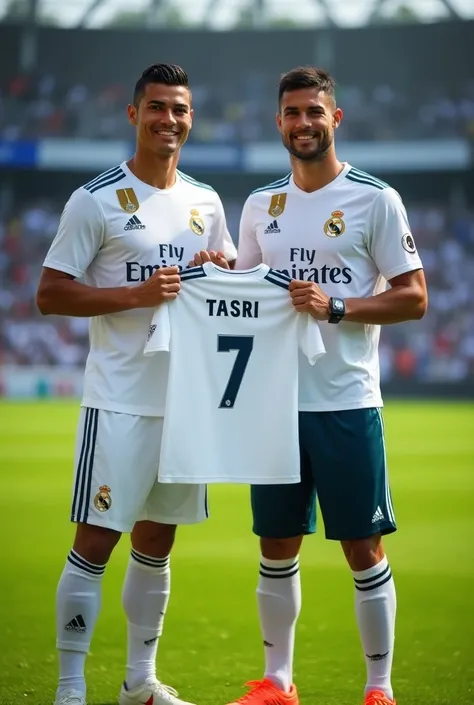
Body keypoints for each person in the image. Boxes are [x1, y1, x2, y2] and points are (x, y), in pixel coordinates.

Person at [36, 63, 237, 705]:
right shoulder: (94, 198)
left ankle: (139, 684)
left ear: (190, 118)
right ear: (133, 115)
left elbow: (227, 284)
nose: (168, 120)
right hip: (120, 400)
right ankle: (70, 688)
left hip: (185, 405)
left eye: (179, 108)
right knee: (95, 542)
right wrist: (138, 293)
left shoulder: (206, 202)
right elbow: (50, 293)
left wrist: (216, 268)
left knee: (157, 545)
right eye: (155, 107)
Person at [227, 66, 428, 705]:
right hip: (276, 403)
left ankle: (379, 686)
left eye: (314, 112)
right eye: (292, 113)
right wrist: (218, 272)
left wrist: (338, 307)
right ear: (278, 122)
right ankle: (278, 684)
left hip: (345, 400)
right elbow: (248, 294)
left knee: (362, 548)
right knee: (276, 542)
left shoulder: (376, 198)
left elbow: (414, 298)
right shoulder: (262, 205)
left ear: (334, 119)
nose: (303, 123)